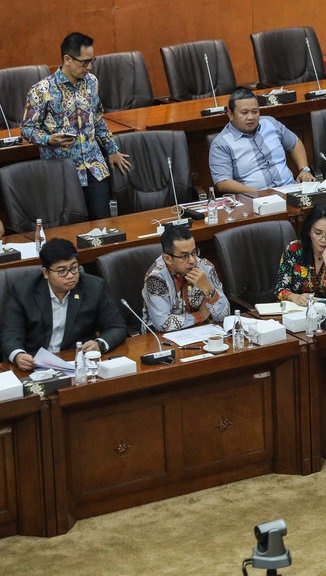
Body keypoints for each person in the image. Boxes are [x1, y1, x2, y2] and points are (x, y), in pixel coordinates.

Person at [20, 32, 132, 219]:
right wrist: (49, 139)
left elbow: (97, 118)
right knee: (73, 229)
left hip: (94, 167)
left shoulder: (91, 82)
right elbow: (27, 129)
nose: (89, 67)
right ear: (67, 59)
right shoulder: (42, 90)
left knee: (103, 226)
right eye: (84, 62)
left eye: (92, 61)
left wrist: (111, 149)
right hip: (62, 171)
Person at [1, 238, 126, 371]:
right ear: (46, 273)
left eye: (74, 268)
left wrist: (99, 344)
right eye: (61, 271)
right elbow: (10, 334)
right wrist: (18, 355)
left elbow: (117, 327)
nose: (70, 276)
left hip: (75, 362)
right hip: (34, 364)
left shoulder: (94, 287)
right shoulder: (24, 292)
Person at [208, 87, 316, 194]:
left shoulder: (270, 123)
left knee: (324, 208)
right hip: (255, 200)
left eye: (255, 112)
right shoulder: (221, 143)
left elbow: (295, 144)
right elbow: (222, 182)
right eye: (244, 113)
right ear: (230, 114)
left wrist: (304, 170)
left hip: (291, 190)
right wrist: (257, 193)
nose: (251, 117)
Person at [142, 225, 229, 332]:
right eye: (184, 256)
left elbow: (224, 316)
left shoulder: (205, 268)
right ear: (168, 259)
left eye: (193, 252)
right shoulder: (156, 277)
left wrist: (209, 290)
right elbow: (163, 324)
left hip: (203, 332)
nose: (192, 260)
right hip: (161, 339)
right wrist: (200, 316)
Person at [275, 204, 326, 305]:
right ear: (309, 231)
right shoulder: (294, 249)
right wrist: (295, 297)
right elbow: (280, 290)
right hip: (300, 311)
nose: (323, 240)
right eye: (318, 233)